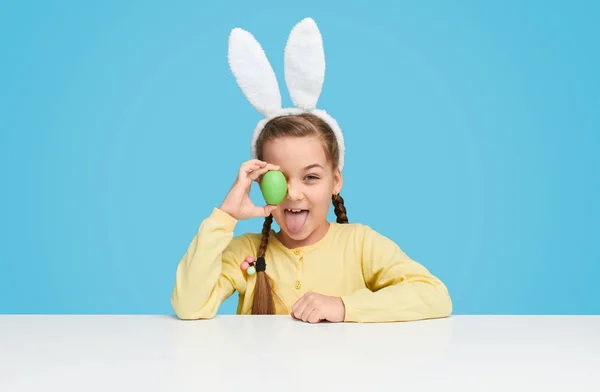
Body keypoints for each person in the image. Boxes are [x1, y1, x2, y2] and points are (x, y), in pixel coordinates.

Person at [170, 18, 452, 323]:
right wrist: (224, 217)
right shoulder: (246, 252)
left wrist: (344, 307)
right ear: (261, 183)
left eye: (311, 177)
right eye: (279, 178)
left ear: (336, 181)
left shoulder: (360, 244)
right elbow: (189, 306)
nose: (293, 193)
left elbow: (434, 295)